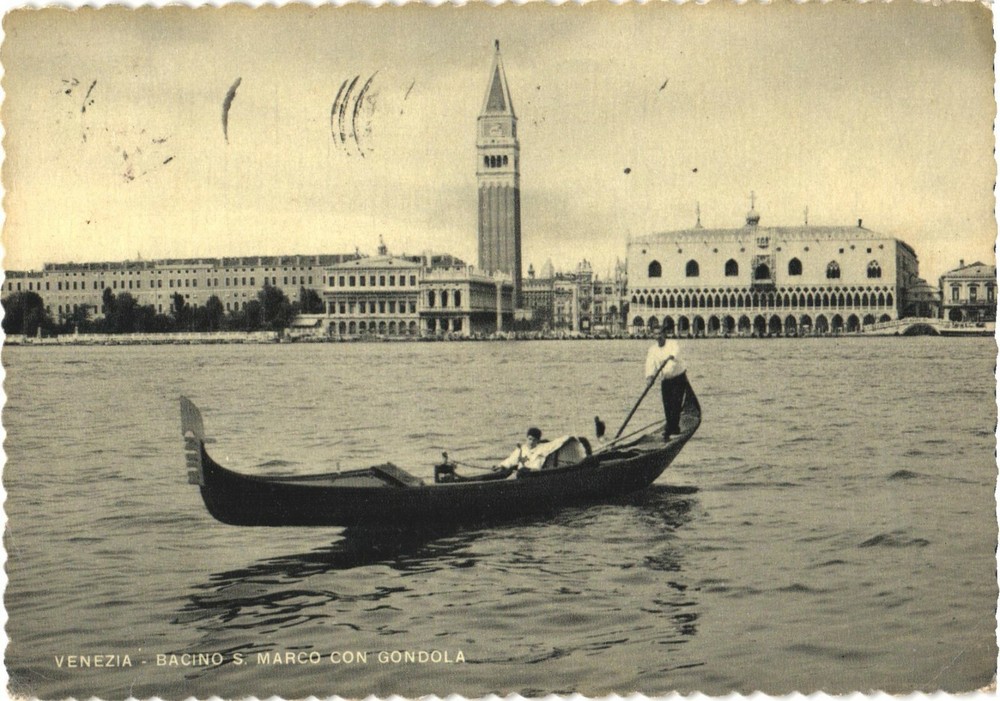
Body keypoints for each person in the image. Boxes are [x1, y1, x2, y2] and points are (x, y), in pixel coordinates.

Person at [645, 328, 688, 441]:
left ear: (664, 334)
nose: (658, 336)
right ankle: (670, 426)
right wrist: (649, 377)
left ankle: (674, 428)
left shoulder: (673, 344)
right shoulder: (652, 350)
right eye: (655, 334)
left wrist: (671, 356)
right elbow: (650, 365)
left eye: (660, 333)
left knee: (675, 404)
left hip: (678, 378)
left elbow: (676, 352)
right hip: (666, 380)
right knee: (667, 405)